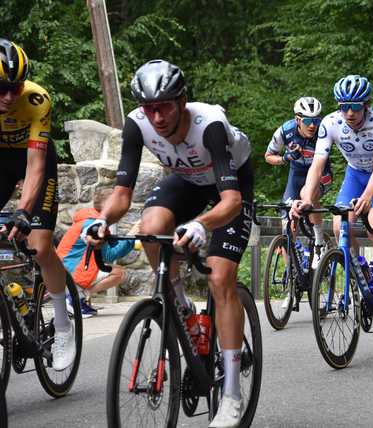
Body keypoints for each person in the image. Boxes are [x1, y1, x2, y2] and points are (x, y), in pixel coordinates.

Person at [84, 60, 254, 428]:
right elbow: (122, 193)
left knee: (220, 277)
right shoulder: (137, 122)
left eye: (164, 107)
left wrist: (200, 225)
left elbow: (231, 202)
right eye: (150, 108)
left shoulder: (208, 125)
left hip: (230, 186)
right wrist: (102, 220)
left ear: (182, 101)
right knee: (151, 226)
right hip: (188, 181)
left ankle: (232, 394)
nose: (157, 117)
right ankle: (182, 308)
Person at [290, 74, 373, 323]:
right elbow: (316, 166)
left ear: (366, 104)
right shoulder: (330, 123)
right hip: (355, 174)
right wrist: (307, 198)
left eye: (354, 106)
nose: (349, 113)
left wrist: (367, 197)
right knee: (340, 226)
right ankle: (361, 271)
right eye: (343, 107)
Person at [0, 39, 76, 370]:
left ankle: (62, 325)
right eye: (1, 88)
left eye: (15, 88)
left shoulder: (36, 99)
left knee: (40, 245)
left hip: (34, 161)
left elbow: (34, 166)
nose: (9, 97)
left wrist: (23, 210)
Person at [264, 96, 332, 268]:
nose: (312, 125)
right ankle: (292, 276)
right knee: (287, 226)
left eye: (316, 120)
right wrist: (285, 158)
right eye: (308, 120)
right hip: (296, 175)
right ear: (297, 120)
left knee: (307, 194)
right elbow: (268, 157)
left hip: (320, 174)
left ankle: (319, 242)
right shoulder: (285, 131)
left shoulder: (323, 132)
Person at [56, 188, 140, 318]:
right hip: (70, 271)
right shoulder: (95, 226)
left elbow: (109, 246)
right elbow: (109, 255)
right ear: (111, 207)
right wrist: (132, 234)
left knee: (116, 270)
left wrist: (129, 237)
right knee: (119, 273)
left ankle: (77, 296)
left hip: (64, 269)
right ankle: (75, 298)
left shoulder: (90, 219)